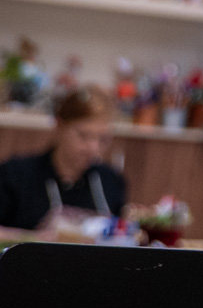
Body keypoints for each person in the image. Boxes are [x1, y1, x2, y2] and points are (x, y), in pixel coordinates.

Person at [0, 87, 127, 230]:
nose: (93, 149)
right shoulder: (15, 175)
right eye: (83, 135)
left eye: (103, 139)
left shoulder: (111, 181)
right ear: (59, 126)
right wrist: (35, 239)